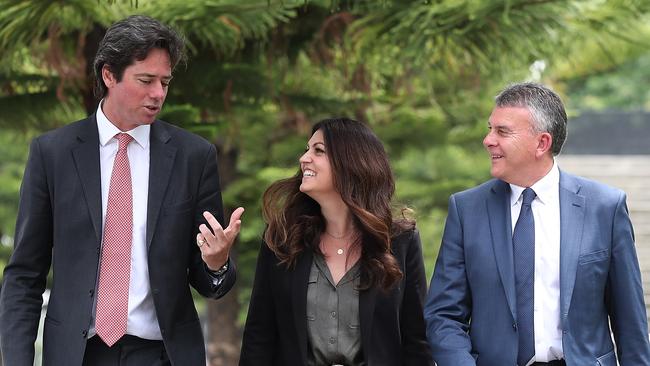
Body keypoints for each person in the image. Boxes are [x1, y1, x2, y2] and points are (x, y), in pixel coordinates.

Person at [0, 15, 244, 366]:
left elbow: (210, 282)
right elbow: (24, 275)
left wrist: (217, 264)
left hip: (163, 354)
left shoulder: (194, 157)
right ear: (109, 75)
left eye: (165, 81)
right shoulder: (52, 154)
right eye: (146, 80)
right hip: (76, 354)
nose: (158, 93)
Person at [425, 82, 650, 365]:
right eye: (489, 128)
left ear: (542, 143)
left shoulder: (605, 207)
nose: (488, 140)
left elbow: (630, 322)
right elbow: (443, 315)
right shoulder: (467, 209)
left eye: (502, 131)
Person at [239, 117, 433, 365]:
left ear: (351, 163)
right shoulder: (281, 239)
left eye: (318, 150)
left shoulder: (400, 241)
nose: (304, 158)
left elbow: (416, 340)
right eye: (307, 149)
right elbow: (259, 337)